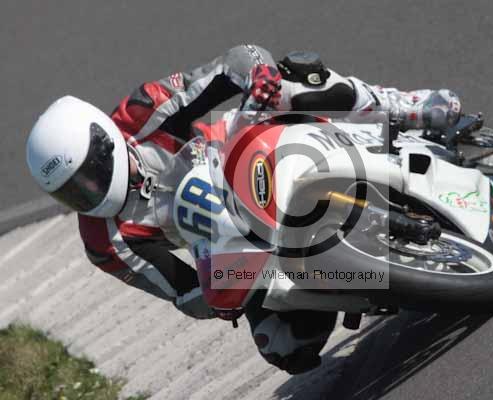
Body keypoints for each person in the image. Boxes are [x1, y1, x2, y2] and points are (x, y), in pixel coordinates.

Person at [26, 45, 461, 374]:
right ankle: (377, 286)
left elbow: (236, 62)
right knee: (285, 345)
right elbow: (182, 292)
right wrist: (223, 289)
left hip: (249, 154)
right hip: (236, 241)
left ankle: (404, 108)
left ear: (105, 139)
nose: (90, 192)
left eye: (90, 174)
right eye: (73, 192)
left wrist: (260, 79)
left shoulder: (142, 110)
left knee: (298, 80)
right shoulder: (104, 244)